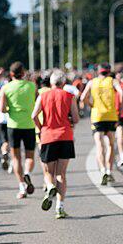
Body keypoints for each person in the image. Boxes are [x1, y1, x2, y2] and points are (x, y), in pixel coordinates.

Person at [32, 70, 79, 219]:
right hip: (65, 135)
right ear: (64, 83)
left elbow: (34, 115)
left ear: (51, 83)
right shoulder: (69, 96)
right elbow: (76, 118)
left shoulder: (43, 95)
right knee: (61, 174)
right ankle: (60, 207)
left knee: (48, 172)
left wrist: (41, 127)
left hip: (47, 136)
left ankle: (50, 186)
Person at [81, 63, 123, 185]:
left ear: (98, 71)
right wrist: (120, 108)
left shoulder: (92, 82)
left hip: (97, 116)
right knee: (110, 144)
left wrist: (91, 105)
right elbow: (122, 93)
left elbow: (83, 97)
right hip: (111, 115)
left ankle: (103, 170)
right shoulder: (113, 81)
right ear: (109, 71)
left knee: (100, 145)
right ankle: (109, 171)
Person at [0, 62, 36, 199]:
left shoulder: (6, 87)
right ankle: (27, 173)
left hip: (13, 125)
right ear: (24, 72)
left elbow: (2, 109)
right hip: (29, 125)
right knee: (29, 157)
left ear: (11, 74)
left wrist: (11, 109)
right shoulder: (32, 86)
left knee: (16, 158)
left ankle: (22, 187)